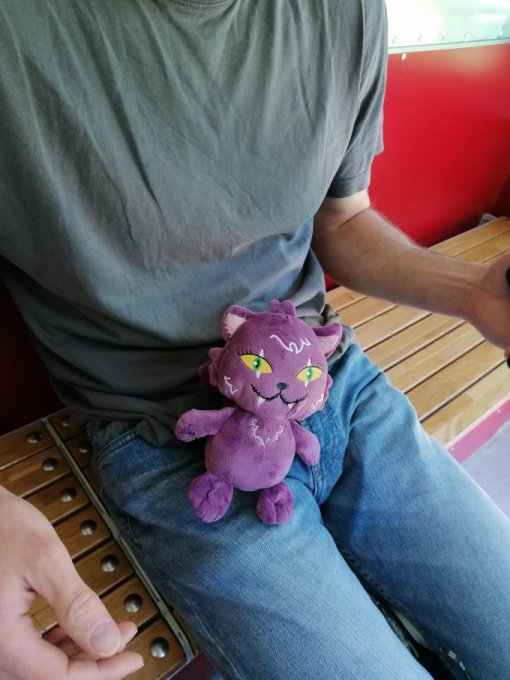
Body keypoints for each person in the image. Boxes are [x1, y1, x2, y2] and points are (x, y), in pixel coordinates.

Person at [1, 1, 510, 679]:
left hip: (336, 386)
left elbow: (343, 220)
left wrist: (473, 291)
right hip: (168, 436)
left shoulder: (347, 12)